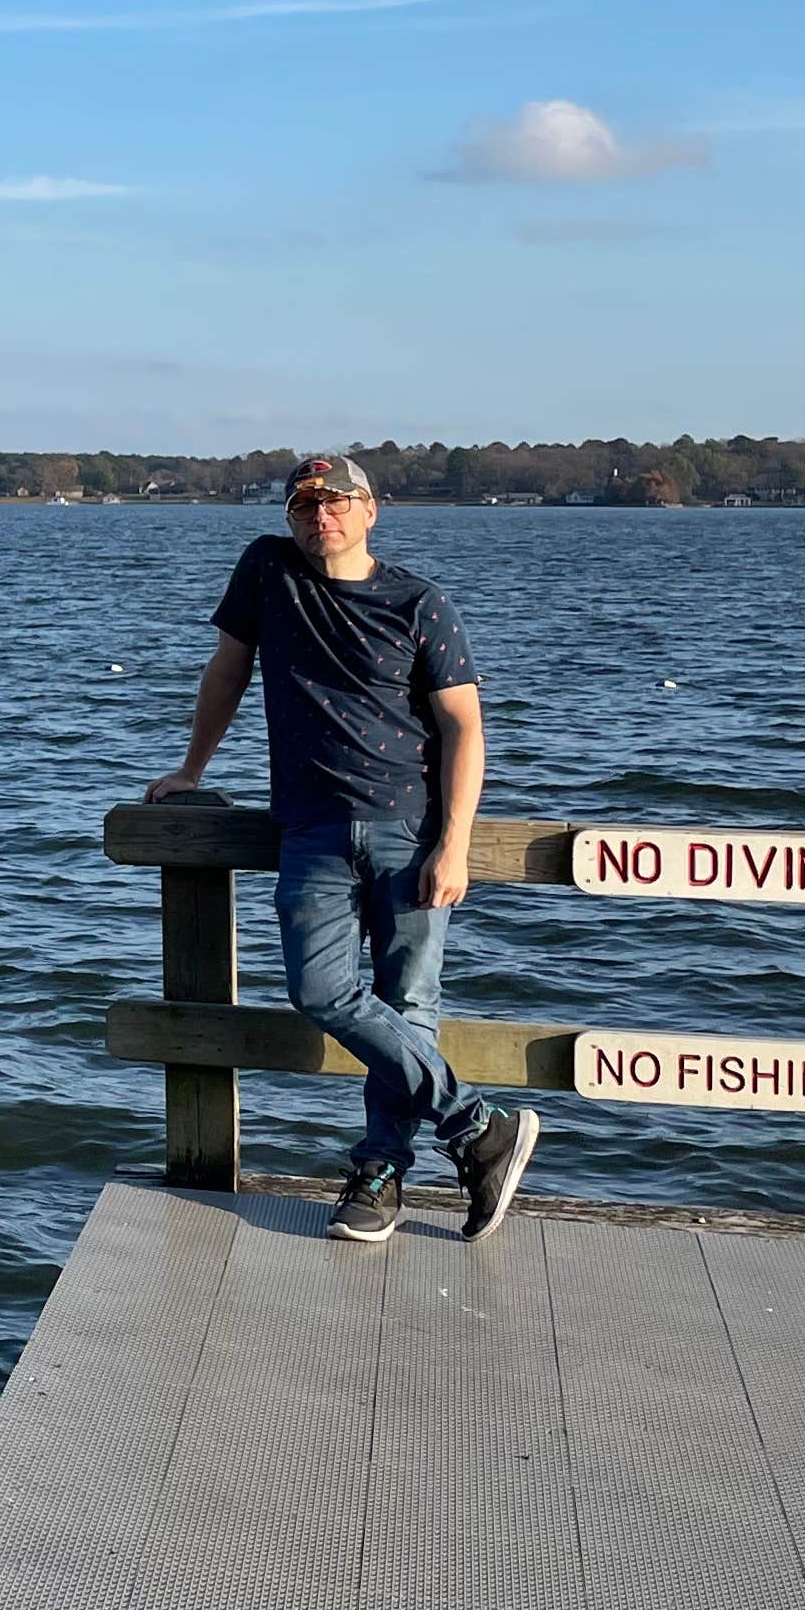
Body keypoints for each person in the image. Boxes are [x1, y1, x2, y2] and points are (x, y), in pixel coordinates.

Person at [146, 453, 537, 1245]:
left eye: (334, 502)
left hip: (408, 832)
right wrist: (192, 770)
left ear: (369, 511)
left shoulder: (419, 603)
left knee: (409, 1008)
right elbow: (227, 671)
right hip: (311, 828)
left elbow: (465, 727)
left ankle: (380, 1176)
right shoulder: (268, 571)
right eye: (303, 505)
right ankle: (477, 1127)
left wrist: (454, 843)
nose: (318, 515)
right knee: (320, 992)